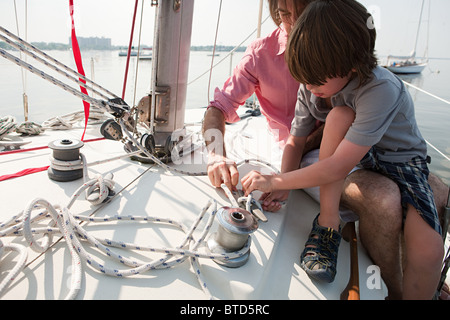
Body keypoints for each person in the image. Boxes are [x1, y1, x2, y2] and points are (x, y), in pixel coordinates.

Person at [241, 0, 445, 299]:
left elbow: (337, 166)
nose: (309, 88)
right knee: (339, 115)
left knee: (428, 249)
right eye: (303, 80)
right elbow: (296, 140)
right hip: (363, 158)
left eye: (314, 80)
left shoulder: (380, 88)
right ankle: (328, 223)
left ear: (350, 65)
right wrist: (285, 183)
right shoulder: (313, 86)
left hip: (402, 164)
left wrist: (275, 180)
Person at [202, 0, 322, 212]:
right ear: (276, 12)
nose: (295, 23)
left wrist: (284, 178)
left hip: (337, 144)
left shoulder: (334, 46)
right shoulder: (260, 54)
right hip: (294, 151)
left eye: (303, 14)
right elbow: (217, 108)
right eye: (285, 15)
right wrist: (216, 154)